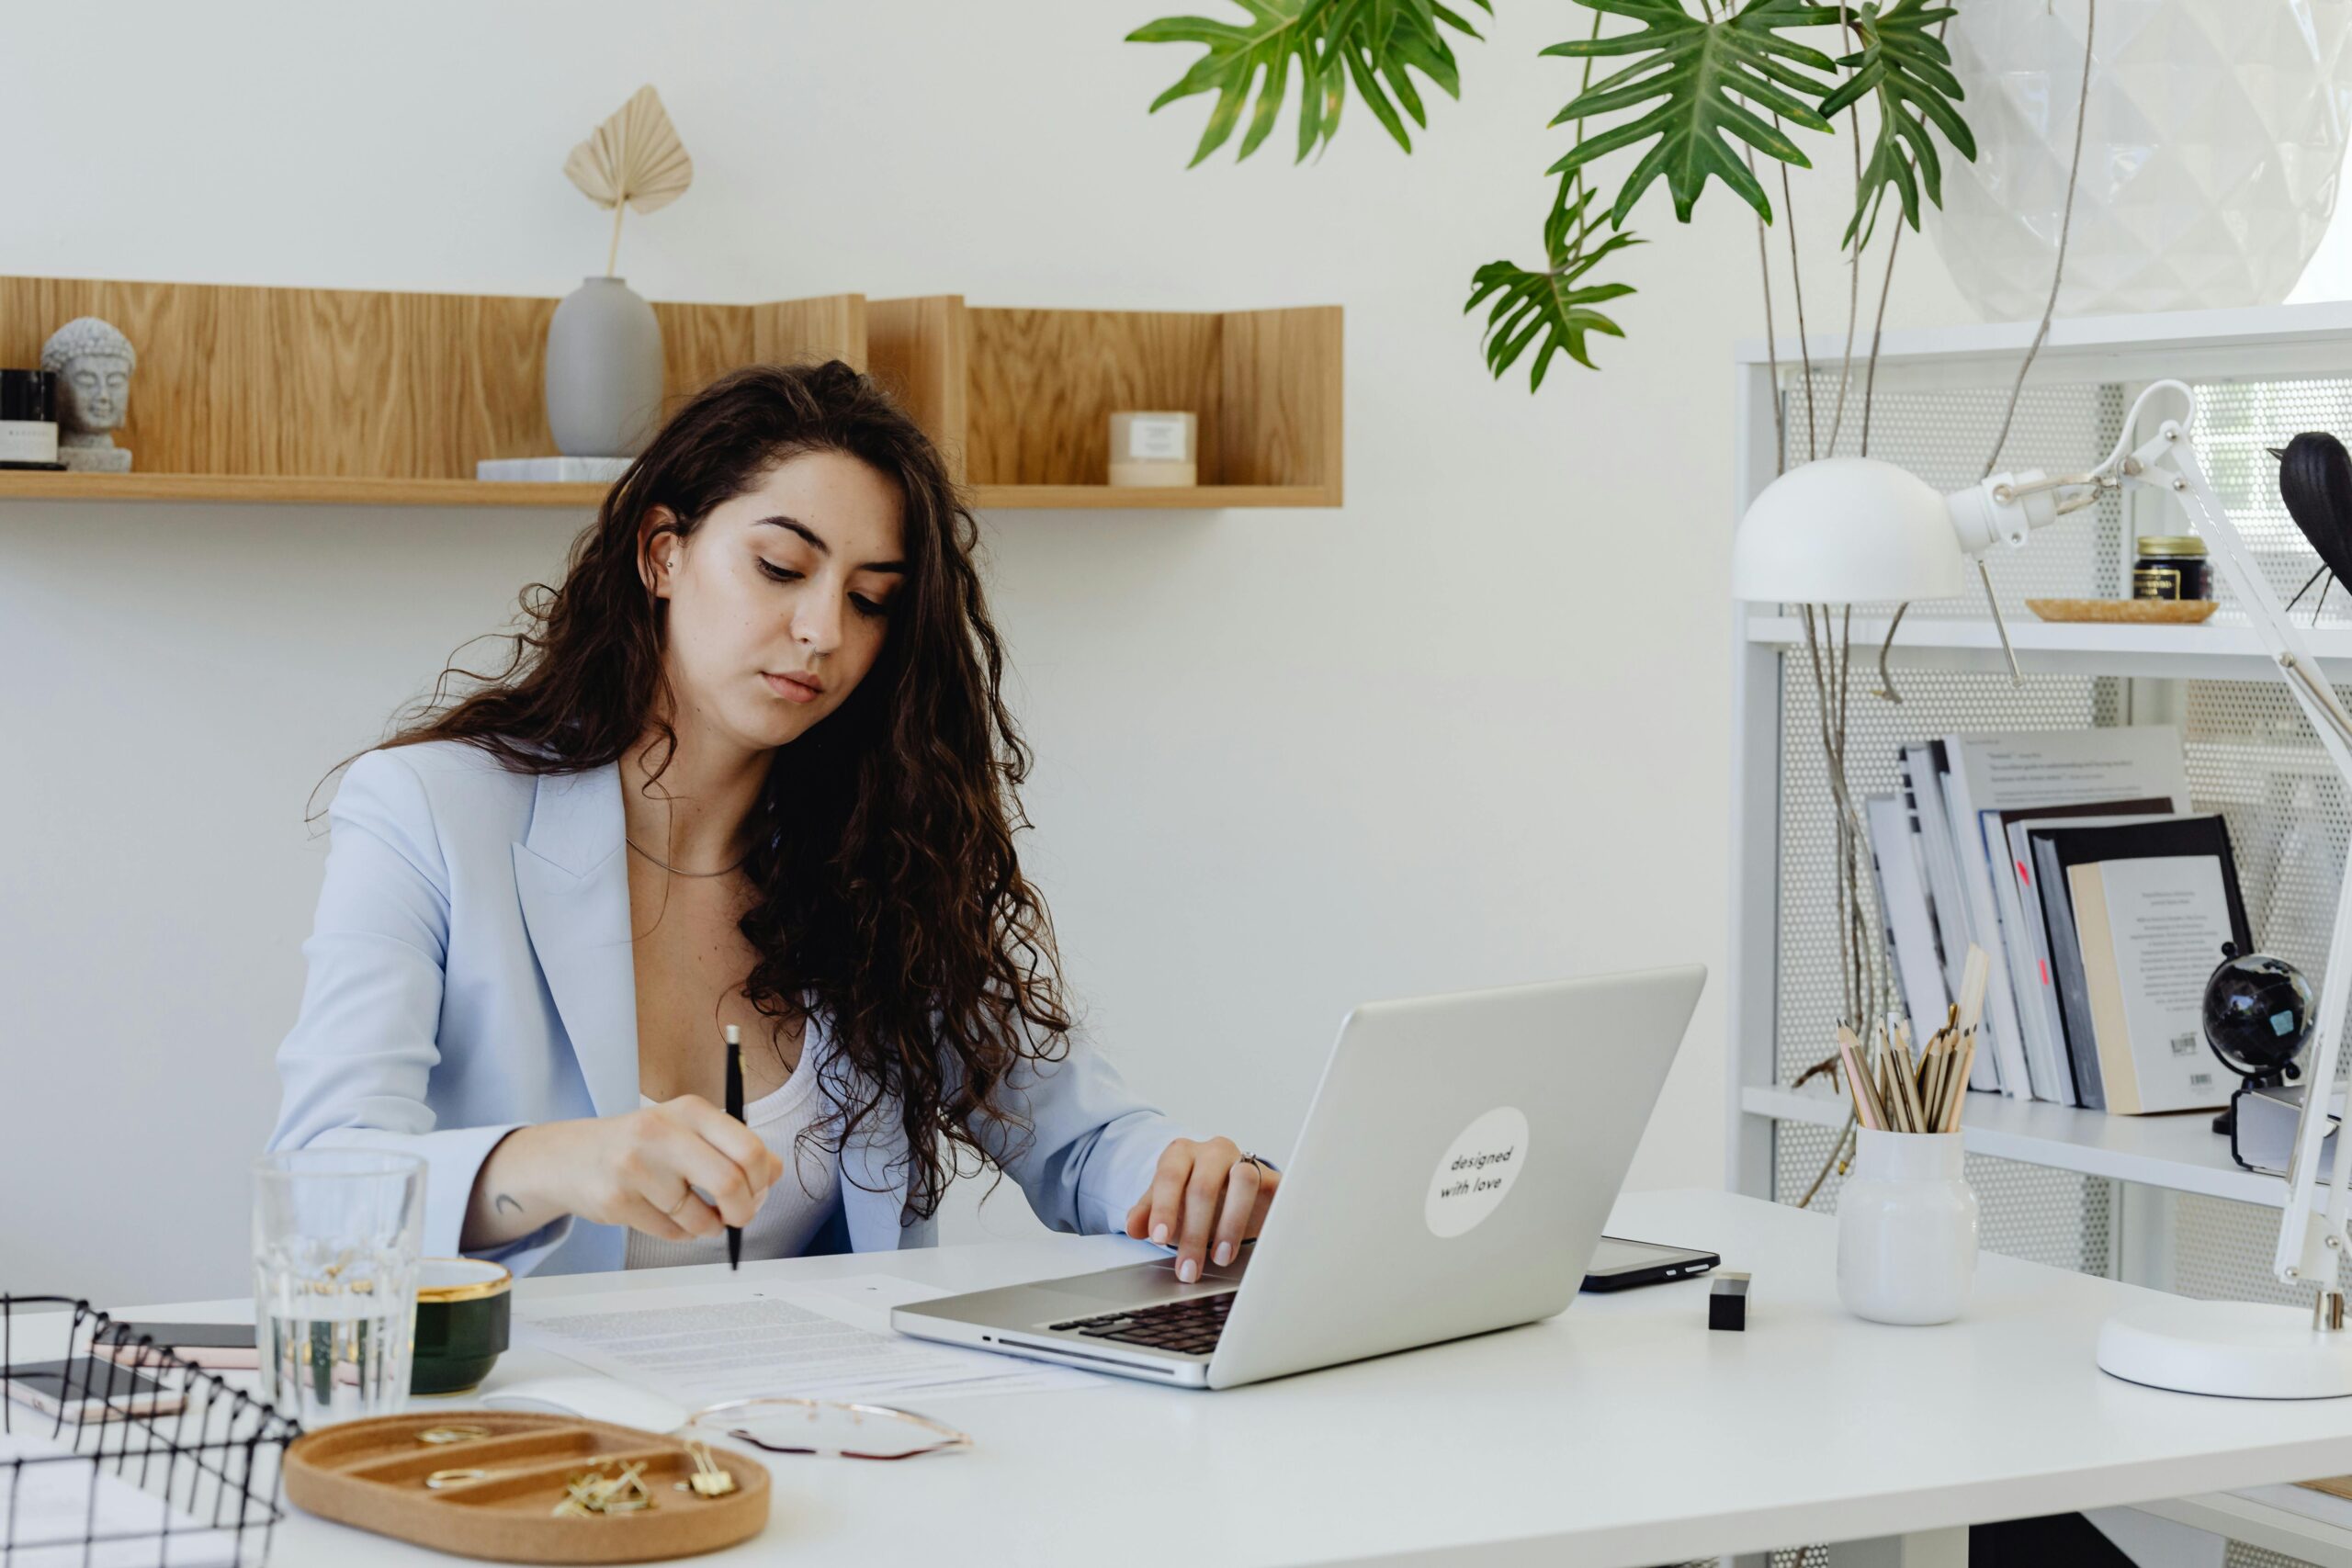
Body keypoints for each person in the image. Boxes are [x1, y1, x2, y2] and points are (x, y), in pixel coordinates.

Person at [268, 361, 1276, 1280]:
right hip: (532, 1434)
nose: (822, 632)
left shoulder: (877, 857)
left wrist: (1195, 1182)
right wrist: (557, 1161)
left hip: (813, 1431)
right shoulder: (431, 810)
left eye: (871, 599)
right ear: (662, 555)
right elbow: (321, 1182)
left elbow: (1080, 1140)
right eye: (781, 570)